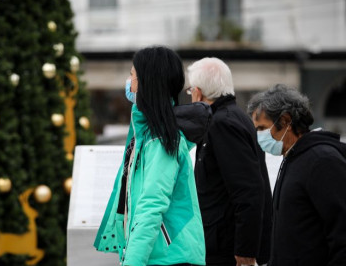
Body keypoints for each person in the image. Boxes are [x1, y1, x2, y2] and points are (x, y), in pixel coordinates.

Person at [94, 46, 206, 266]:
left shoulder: (160, 140)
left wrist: (132, 262)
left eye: (132, 75)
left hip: (168, 258)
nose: (129, 82)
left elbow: (152, 205)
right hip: (161, 255)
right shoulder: (147, 135)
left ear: (147, 83)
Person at [247, 84, 346, 266]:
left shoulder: (321, 160)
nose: (258, 135)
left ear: (285, 121)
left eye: (262, 128)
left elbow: (341, 233)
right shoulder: (292, 158)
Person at [187, 57, 272, 266]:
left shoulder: (223, 124)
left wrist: (245, 249)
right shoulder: (231, 117)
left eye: (190, 91)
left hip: (227, 248)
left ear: (198, 91)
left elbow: (248, 190)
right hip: (224, 241)